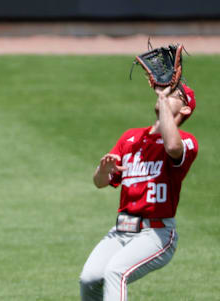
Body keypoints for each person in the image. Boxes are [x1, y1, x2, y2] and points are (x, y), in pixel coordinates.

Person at [79, 83, 198, 300]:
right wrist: (102, 171)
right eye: (165, 92)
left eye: (173, 94)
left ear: (185, 109)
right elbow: (100, 182)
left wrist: (162, 101)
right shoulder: (131, 138)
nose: (165, 94)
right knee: (89, 279)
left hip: (157, 234)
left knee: (116, 272)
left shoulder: (187, 141)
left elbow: (172, 148)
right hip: (122, 229)